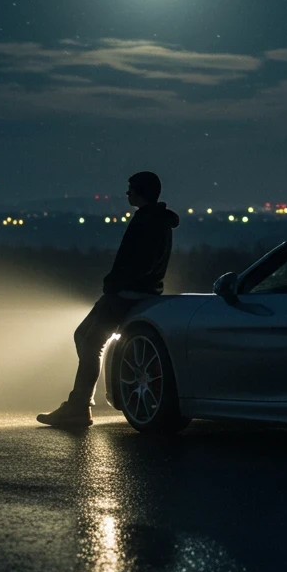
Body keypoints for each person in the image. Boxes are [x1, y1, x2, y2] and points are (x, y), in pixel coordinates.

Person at [37, 171, 179, 427]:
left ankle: (79, 406)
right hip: (128, 292)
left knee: (90, 341)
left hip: (125, 294)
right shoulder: (156, 220)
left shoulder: (148, 222)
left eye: (131, 188)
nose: (127, 193)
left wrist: (116, 283)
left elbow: (140, 263)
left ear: (140, 191)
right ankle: (80, 403)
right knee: (84, 337)